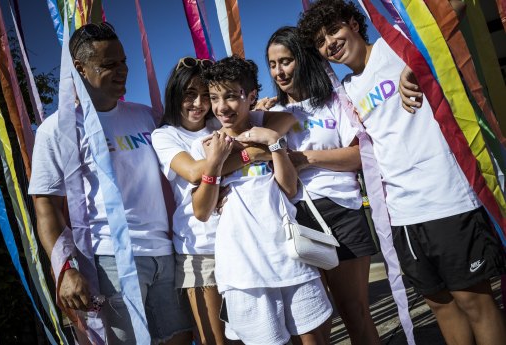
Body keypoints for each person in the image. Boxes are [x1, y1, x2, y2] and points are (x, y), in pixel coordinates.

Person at [298, 1, 506, 345]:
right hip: (401, 214)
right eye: (320, 41)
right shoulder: (346, 89)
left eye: (333, 30)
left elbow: (453, 9)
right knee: (440, 305)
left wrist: (420, 60)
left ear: (354, 22)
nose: (330, 43)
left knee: (475, 302)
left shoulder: (396, 45)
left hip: (447, 197)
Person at [28, 22, 194, 344]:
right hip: (109, 262)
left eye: (124, 62)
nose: (122, 72)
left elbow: (195, 139)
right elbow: (45, 207)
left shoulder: (147, 116)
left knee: (180, 339)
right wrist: (65, 268)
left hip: (166, 253)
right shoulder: (57, 129)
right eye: (108, 65)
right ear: (80, 69)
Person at [191, 55, 333, 345]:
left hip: (290, 257)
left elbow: (289, 189)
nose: (221, 107)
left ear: (251, 95)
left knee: (313, 340)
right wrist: (215, 163)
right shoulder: (206, 146)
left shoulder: (268, 130)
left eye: (231, 96)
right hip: (243, 270)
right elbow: (202, 211)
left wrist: (273, 143)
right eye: (215, 97)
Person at [151, 57, 294, 344]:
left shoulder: (220, 120)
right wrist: (248, 155)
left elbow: (285, 119)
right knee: (217, 340)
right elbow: (193, 172)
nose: (199, 104)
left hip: (243, 243)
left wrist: (264, 130)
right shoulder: (165, 135)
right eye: (189, 94)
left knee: (257, 333)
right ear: (175, 94)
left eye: (207, 96)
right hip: (200, 247)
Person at [265, 26, 379, 345]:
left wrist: (305, 158)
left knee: (354, 311)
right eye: (273, 64)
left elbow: (360, 155)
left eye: (286, 61)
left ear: (303, 59)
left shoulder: (333, 101)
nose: (279, 70)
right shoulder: (270, 114)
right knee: (313, 323)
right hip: (294, 219)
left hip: (342, 213)